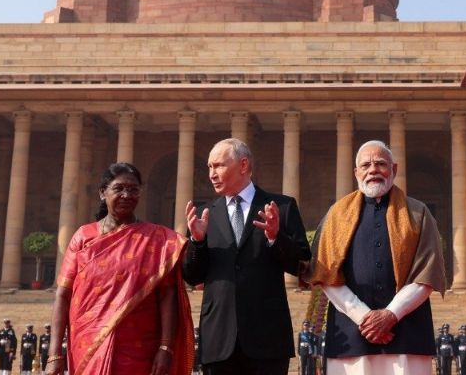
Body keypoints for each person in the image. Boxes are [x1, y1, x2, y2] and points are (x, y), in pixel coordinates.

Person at [306, 140, 447, 375]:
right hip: (351, 332)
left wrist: (391, 314)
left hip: (407, 332)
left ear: (394, 169)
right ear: (356, 172)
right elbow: (326, 273)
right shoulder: (335, 215)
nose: (373, 170)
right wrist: (364, 317)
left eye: (381, 163)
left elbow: (427, 273)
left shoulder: (418, 213)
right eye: (366, 165)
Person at [47, 162, 195, 375]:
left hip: (140, 347)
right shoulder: (83, 237)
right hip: (88, 344)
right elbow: (63, 294)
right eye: (119, 188)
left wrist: (166, 347)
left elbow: (167, 295)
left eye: (133, 190)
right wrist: (54, 355)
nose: (127, 195)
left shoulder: (158, 240)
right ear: (102, 193)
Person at [183, 138, 311, 375]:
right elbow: (192, 276)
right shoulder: (203, 215)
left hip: (268, 338)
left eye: (219, 165)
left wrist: (275, 237)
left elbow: (301, 265)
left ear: (243, 165)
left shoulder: (282, 207)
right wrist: (197, 242)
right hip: (218, 340)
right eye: (210, 167)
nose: (211, 174)